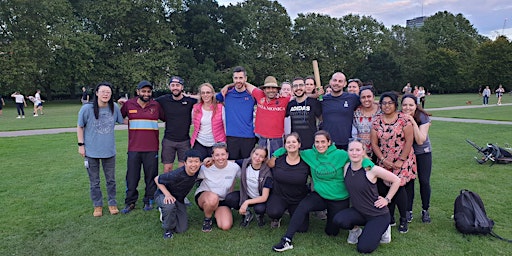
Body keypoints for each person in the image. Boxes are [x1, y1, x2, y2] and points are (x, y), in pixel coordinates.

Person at [271, 130, 374, 252]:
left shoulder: (341, 155)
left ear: (329, 142)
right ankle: (287, 239)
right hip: (320, 195)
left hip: (338, 198)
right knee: (303, 206)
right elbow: (291, 150)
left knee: (332, 232)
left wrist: (369, 165)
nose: (320, 145)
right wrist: (277, 153)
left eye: (323, 142)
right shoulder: (309, 154)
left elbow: (360, 157)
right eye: (317, 142)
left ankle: (356, 229)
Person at [333, 138, 400, 253]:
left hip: (378, 215)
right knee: (338, 220)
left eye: (358, 150)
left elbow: (397, 180)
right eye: (351, 150)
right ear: (347, 152)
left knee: (364, 248)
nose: (354, 153)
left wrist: (387, 199)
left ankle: (384, 229)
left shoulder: (371, 170)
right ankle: (356, 231)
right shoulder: (346, 167)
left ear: (363, 151)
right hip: (360, 212)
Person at [77, 82, 124, 217]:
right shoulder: (87, 109)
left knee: (111, 180)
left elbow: (124, 121)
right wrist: (81, 145)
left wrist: (125, 106)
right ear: (97, 93)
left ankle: (112, 203)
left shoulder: (114, 107)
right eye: (103, 92)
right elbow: (80, 127)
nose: (105, 94)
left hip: (109, 151)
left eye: (108, 92)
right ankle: (97, 205)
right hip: (91, 151)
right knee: (94, 181)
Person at [371, 92, 416, 233]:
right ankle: (389, 216)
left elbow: (409, 141)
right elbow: (374, 143)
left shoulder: (404, 120)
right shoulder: (376, 121)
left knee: (399, 186)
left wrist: (401, 160)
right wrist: (383, 160)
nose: (387, 106)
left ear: (395, 104)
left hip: (403, 159)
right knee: (384, 188)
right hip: (384, 159)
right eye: (384, 103)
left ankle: (403, 218)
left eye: (390, 103)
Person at [119, 80, 164, 214]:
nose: (146, 94)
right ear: (138, 92)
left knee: (151, 176)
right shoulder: (129, 104)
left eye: (148, 91)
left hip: (151, 148)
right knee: (132, 177)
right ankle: (130, 202)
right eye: (143, 91)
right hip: (134, 148)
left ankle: (149, 199)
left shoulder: (156, 105)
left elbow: (166, 117)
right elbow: (118, 117)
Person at [154, 149, 202, 239]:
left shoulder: (197, 170)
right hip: (163, 195)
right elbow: (157, 179)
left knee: (181, 229)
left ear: (200, 163)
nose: (193, 164)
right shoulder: (176, 174)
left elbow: (206, 162)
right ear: (185, 163)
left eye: (196, 161)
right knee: (169, 206)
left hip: (178, 199)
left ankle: (169, 213)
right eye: (190, 161)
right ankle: (167, 229)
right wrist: (167, 194)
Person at [266, 133, 310, 229]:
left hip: (298, 198)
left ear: (299, 144)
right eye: (288, 142)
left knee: (302, 228)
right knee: (274, 212)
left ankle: (292, 211)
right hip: (279, 195)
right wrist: (274, 155)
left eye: (294, 142)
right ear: (285, 145)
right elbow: (269, 165)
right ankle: (277, 218)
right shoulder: (278, 159)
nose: (291, 144)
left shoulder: (306, 162)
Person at [195, 143, 241, 232]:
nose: (220, 158)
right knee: (213, 198)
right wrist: (201, 163)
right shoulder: (206, 167)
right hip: (206, 197)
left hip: (222, 200)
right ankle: (207, 219)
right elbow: (191, 173)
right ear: (212, 156)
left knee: (225, 226)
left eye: (223, 154)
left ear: (227, 155)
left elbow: (244, 180)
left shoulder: (234, 168)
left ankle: (217, 212)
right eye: (217, 155)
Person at [401, 94, 432, 223]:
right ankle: (408, 210)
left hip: (422, 152)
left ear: (416, 105)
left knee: (424, 181)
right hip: (408, 153)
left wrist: (412, 121)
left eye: (411, 105)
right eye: (404, 105)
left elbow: (420, 140)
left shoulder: (423, 117)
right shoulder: (398, 116)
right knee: (409, 181)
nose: (407, 108)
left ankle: (425, 210)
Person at [156, 76, 197, 172]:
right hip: (168, 140)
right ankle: (166, 186)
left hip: (184, 141)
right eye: (173, 85)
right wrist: (127, 102)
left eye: (177, 85)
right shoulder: (163, 100)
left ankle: (180, 187)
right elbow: (147, 101)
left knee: (183, 168)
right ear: (170, 87)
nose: (175, 87)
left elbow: (206, 98)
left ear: (182, 87)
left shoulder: (189, 101)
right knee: (167, 168)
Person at [224, 146, 272, 227]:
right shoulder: (245, 163)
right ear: (252, 153)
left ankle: (260, 216)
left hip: (259, 198)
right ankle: (247, 214)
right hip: (246, 195)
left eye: (261, 156)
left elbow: (264, 197)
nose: (257, 158)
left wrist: (246, 202)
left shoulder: (267, 173)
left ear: (264, 159)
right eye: (256, 154)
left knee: (259, 209)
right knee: (230, 198)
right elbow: (229, 162)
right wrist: (212, 160)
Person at [244, 76, 291, 156]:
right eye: (268, 88)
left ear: (277, 90)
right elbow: (244, 83)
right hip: (262, 138)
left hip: (277, 138)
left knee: (276, 161)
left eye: (273, 88)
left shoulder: (284, 99)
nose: (271, 90)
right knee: (261, 161)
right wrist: (227, 86)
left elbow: (301, 96)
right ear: (264, 90)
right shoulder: (259, 95)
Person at [216, 66, 256, 160]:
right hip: (231, 136)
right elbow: (207, 98)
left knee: (247, 165)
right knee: (231, 166)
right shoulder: (226, 93)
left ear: (246, 79)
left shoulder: (252, 95)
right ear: (233, 79)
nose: (238, 80)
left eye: (241, 78)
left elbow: (263, 96)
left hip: (248, 136)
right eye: (236, 78)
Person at [320, 72, 360, 150]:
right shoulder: (323, 99)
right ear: (330, 82)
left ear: (345, 84)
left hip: (345, 143)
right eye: (335, 80)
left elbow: (368, 104)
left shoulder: (353, 98)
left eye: (340, 81)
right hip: (327, 143)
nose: (337, 83)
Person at [190, 83, 226, 160]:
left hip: (216, 144)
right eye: (203, 93)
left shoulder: (220, 108)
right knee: (198, 168)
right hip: (200, 143)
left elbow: (225, 126)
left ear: (213, 93)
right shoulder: (196, 108)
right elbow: (193, 123)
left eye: (208, 92)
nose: (205, 95)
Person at [286, 77, 322, 150]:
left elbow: (321, 119)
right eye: (295, 86)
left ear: (305, 87)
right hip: (295, 144)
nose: (298, 88)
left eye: (301, 85)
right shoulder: (290, 104)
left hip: (311, 144)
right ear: (292, 88)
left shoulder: (314, 103)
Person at [353, 86, 381, 160]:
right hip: (362, 152)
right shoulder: (356, 113)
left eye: (369, 96)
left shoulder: (381, 110)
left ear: (373, 97)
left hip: (381, 150)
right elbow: (354, 133)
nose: (366, 99)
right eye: (363, 97)